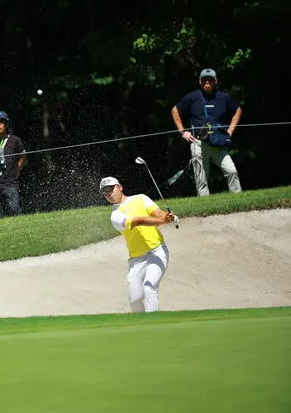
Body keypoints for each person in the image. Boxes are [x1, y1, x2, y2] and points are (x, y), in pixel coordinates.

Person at [99, 176, 177, 313]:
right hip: (137, 260)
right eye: (105, 191)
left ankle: (153, 323)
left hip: (157, 251)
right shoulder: (115, 216)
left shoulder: (141, 198)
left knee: (149, 287)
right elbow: (140, 221)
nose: (109, 193)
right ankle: (140, 323)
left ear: (120, 187)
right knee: (135, 299)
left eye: (110, 188)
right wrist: (163, 221)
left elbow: (158, 213)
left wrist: (168, 217)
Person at [171, 68, 243, 196]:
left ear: (216, 81)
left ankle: (239, 198)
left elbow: (238, 110)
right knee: (201, 179)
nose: (207, 82)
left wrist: (230, 130)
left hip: (219, 142)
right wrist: (182, 132)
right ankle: (205, 202)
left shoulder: (223, 97)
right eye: (204, 80)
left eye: (210, 80)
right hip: (198, 143)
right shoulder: (192, 97)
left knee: (231, 170)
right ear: (200, 81)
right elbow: (175, 110)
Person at [0, 111, 27, 218]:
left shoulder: (15, 140)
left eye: (1, 122)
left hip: (10, 183)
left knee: (14, 210)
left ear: (6, 124)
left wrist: (18, 169)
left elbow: (23, 156)